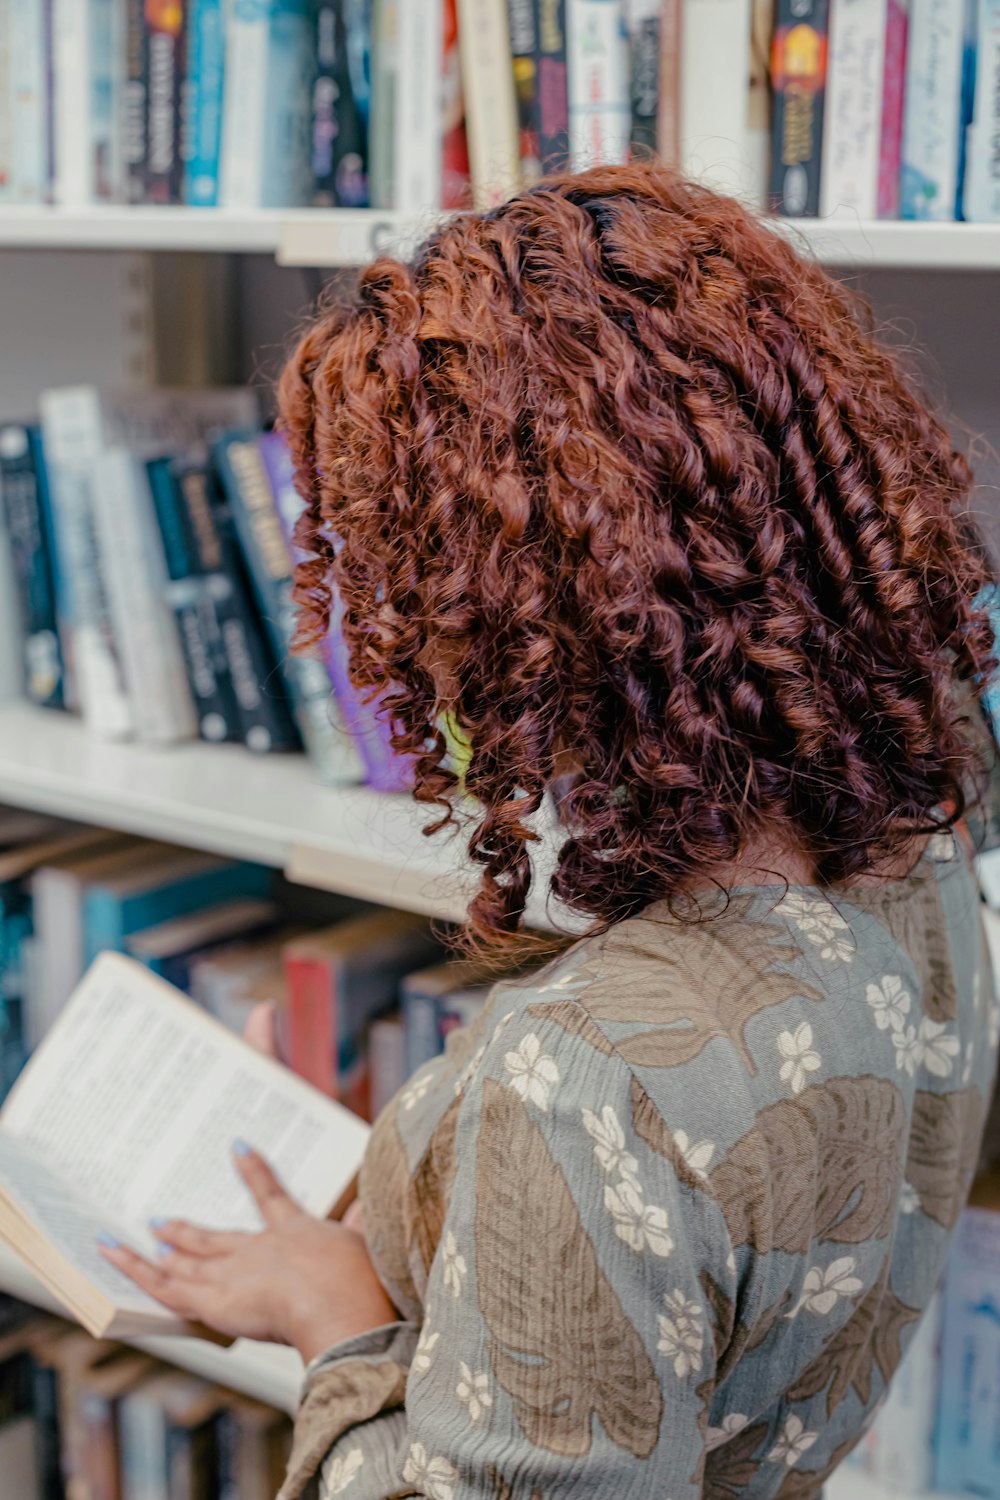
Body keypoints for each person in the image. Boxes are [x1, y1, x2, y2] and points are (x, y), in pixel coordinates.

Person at [103, 164, 999, 1499]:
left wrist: (340, 1323)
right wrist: (438, 1181)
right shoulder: (929, 832)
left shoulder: (582, 1085)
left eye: (396, 566)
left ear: (504, 604)